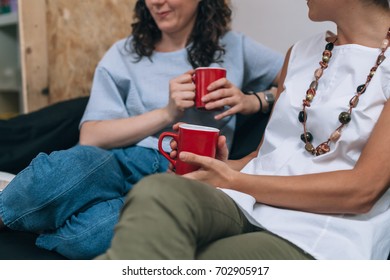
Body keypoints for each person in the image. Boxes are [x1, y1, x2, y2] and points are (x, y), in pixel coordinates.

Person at [96, 0, 390, 260]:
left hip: (323, 235)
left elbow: (362, 192)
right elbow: (264, 157)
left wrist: (233, 181)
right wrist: (217, 167)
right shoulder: (301, 54)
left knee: (196, 260)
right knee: (158, 190)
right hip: (249, 202)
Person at [0, 0, 282, 259]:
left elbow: (300, 79)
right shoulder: (124, 53)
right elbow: (91, 136)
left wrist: (255, 101)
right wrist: (167, 112)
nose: (157, 2)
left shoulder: (234, 46)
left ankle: (34, 227)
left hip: (183, 177)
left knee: (94, 235)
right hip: (119, 159)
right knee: (56, 174)